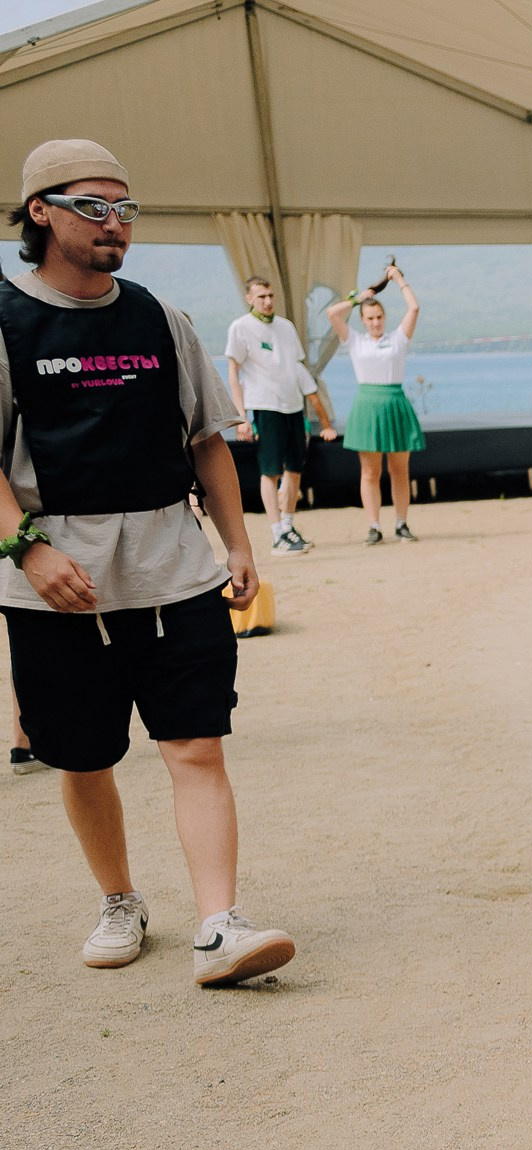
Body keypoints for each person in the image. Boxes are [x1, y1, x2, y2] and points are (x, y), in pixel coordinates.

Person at [0, 138, 295, 985]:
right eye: (93, 207)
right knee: (84, 757)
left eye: (126, 209)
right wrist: (29, 549)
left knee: (197, 746)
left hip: (175, 571)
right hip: (57, 584)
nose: (114, 224)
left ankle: (220, 924)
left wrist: (237, 542)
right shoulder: (7, 321)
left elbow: (206, 436)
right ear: (40, 212)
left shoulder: (160, 318)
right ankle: (119, 900)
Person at [223, 276, 337, 554]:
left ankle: (287, 525)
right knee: (270, 471)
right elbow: (234, 375)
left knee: (295, 468)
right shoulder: (240, 328)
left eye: (271, 295)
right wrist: (241, 417)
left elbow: (295, 368)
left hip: (293, 408)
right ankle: (276, 534)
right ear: (250, 298)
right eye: (261, 296)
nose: (268, 301)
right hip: (265, 407)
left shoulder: (286, 327)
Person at [326, 265, 424, 545]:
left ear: (385, 317)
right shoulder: (355, 340)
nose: (375, 322)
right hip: (367, 406)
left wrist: (399, 279)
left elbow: (414, 308)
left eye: (379, 317)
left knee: (400, 469)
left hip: (395, 402)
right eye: (369, 318)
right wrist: (358, 298)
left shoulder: (398, 339)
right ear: (362, 319)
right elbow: (332, 314)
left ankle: (402, 522)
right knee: (370, 471)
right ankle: (374, 525)